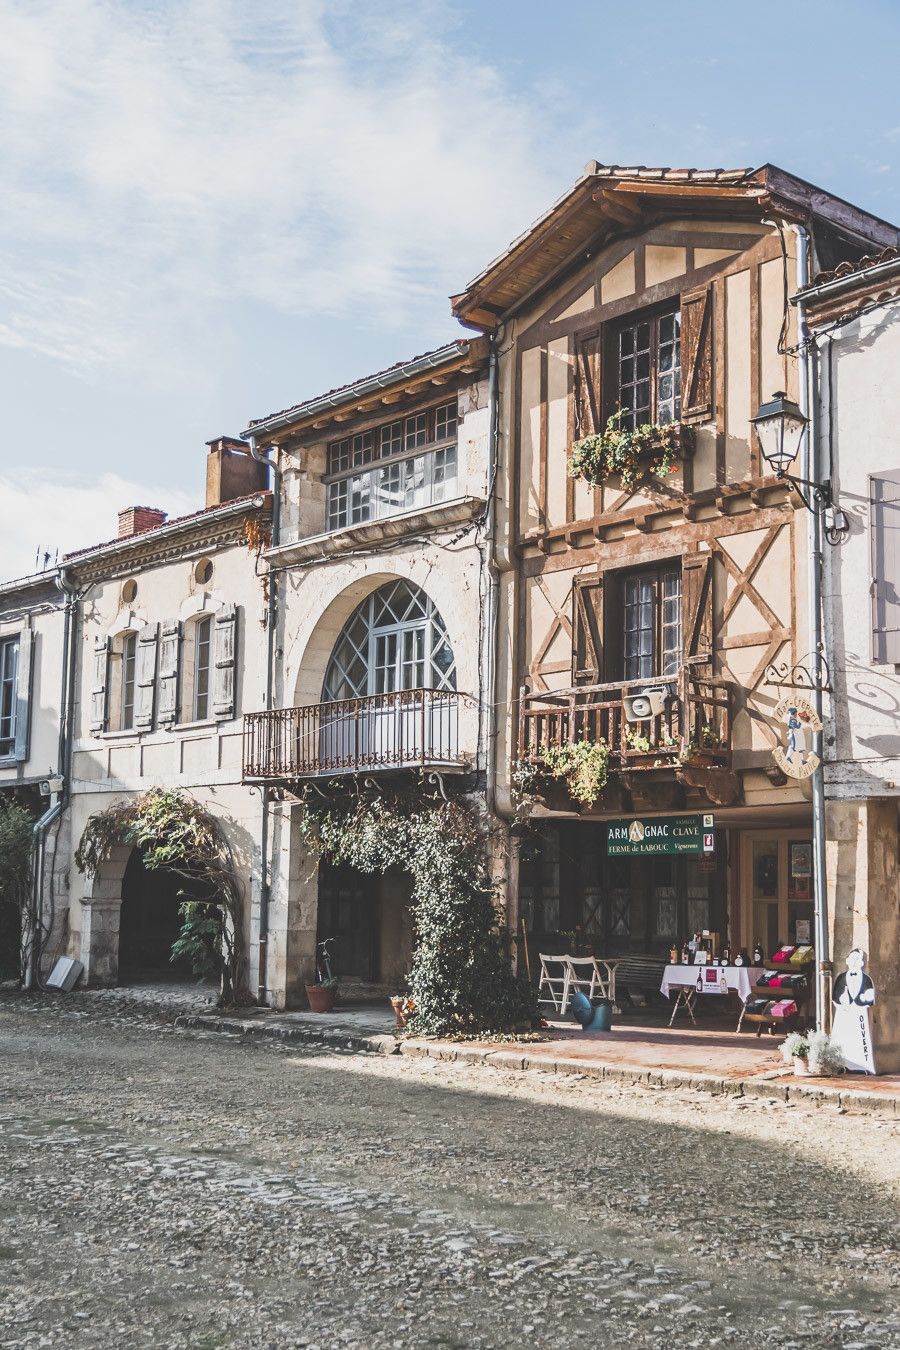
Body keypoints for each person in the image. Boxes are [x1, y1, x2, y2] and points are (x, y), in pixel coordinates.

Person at [831, 948, 876, 1074]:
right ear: (847, 961)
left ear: (862, 963)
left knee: (860, 1040)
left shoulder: (867, 979)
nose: (855, 962)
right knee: (842, 1039)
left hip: (859, 1013)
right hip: (844, 1014)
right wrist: (842, 1001)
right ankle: (839, 1064)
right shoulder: (841, 978)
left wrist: (864, 1000)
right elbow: (835, 996)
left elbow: (870, 997)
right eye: (852, 959)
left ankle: (862, 1067)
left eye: (857, 959)